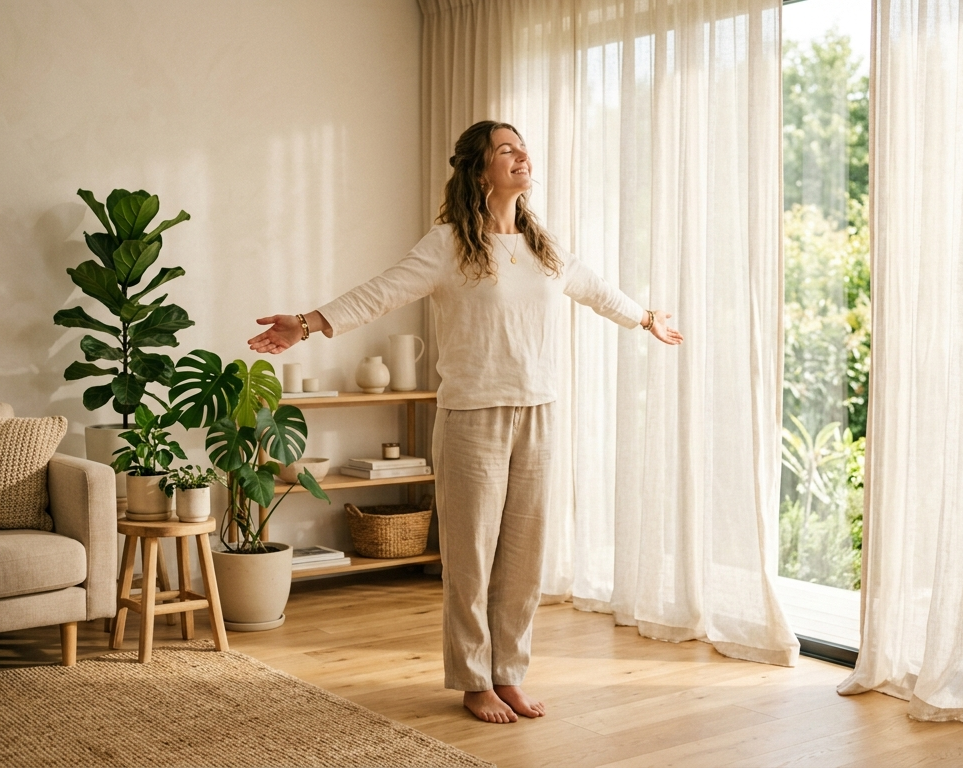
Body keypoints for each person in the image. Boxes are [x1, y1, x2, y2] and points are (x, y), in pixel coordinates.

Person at [248, 120, 683, 724]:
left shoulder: (543, 245)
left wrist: (645, 317)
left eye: (522, 146)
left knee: (524, 557)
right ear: (481, 170)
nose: (521, 155)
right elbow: (380, 292)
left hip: (538, 411)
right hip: (471, 416)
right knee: (472, 555)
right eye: (506, 149)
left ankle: (510, 672)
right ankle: (474, 679)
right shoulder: (448, 244)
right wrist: (307, 320)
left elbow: (595, 289)